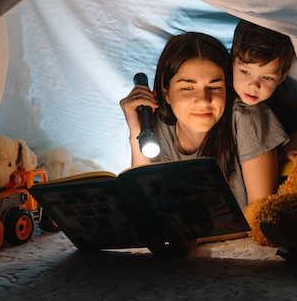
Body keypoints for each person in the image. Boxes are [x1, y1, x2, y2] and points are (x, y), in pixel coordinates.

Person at [120, 32, 287, 253]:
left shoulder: (247, 117)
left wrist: (195, 236)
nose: (204, 100)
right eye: (187, 88)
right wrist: (136, 132)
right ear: (166, 93)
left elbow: (261, 208)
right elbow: (145, 202)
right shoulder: (156, 124)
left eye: (215, 87)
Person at [231, 19, 297, 178]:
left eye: (266, 78)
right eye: (245, 72)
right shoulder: (221, 86)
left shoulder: (282, 98)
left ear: (281, 77)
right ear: (231, 62)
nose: (253, 86)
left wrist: (288, 151)